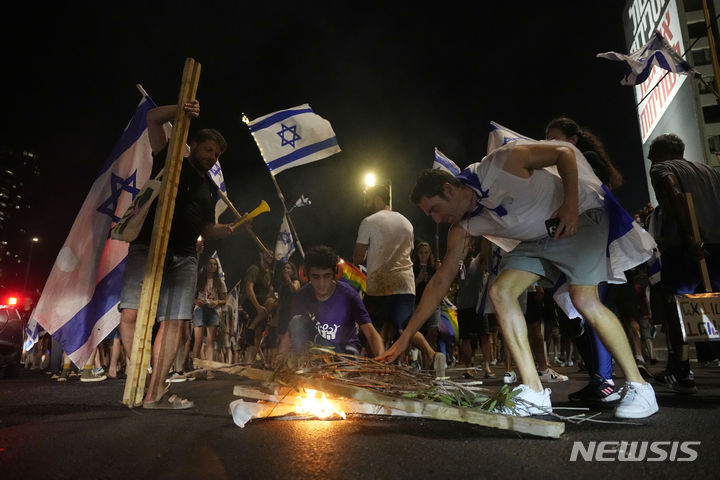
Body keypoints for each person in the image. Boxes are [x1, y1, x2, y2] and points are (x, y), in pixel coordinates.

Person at [377, 139, 659, 418]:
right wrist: (404, 339)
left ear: (449, 190)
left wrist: (570, 205)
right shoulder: (463, 227)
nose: (436, 220)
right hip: (539, 237)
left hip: (581, 216)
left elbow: (563, 153)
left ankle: (640, 387)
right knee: (500, 291)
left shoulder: (502, 162)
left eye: (434, 210)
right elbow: (440, 282)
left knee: (583, 298)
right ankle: (534, 392)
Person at [118, 100, 247, 409]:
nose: (212, 158)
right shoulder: (170, 158)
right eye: (208, 151)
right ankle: (142, 375)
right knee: (132, 314)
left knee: (174, 320)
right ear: (193, 146)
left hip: (185, 255)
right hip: (148, 247)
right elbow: (152, 119)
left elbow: (206, 226)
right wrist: (180, 109)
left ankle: (154, 391)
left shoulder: (210, 188)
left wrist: (228, 230)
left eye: (216, 155)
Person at [545, 116, 627, 402]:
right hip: (571, 241)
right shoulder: (557, 165)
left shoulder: (586, 158)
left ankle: (605, 379)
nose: (548, 144)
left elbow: (593, 195)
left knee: (591, 306)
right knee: (571, 316)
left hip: (591, 239)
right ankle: (597, 374)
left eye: (554, 138)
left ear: (573, 140)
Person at [647, 133, 720, 393]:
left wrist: (689, 237)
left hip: (685, 246)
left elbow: (675, 194)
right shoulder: (708, 171)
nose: (648, 158)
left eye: (652, 152)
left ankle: (681, 368)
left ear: (662, 153)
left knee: (676, 306)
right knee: (714, 302)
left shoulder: (662, 168)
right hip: (716, 245)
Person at [353, 185, 446, 375]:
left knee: (373, 327)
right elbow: (409, 252)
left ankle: (376, 371)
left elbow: (357, 257)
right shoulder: (406, 222)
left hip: (380, 285)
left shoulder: (369, 221)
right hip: (405, 285)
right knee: (405, 326)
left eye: (367, 199)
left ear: (377, 199)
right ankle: (432, 354)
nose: (365, 204)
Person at [278, 245, 385, 357]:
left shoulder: (349, 295)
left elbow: (371, 333)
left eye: (327, 276)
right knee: (297, 321)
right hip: (319, 349)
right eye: (316, 277)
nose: (322, 284)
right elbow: (290, 331)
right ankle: (303, 363)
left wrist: (382, 359)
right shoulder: (302, 296)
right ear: (306, 275)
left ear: (335, 274)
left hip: (346, 352)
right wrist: (279, 359)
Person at [242, 248, 278, 365]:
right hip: (250, 300)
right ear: (261, 254)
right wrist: (257, 306)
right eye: (268, 253)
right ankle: (250, 328)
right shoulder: (254, 269)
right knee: (272, 301)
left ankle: (249, 362)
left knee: (259, 331)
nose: (271, 256)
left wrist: (268, 312)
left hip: (262, 301)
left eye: (272, 254)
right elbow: (249, 288)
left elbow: (268, 292)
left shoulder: (270, 272)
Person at [191, 256, 227, 372]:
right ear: (206, 266)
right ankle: (195, 367)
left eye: (215, 264)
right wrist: (196, 301)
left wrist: (217, 301)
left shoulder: (220, 282)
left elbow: (225, 299)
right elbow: (192, 295)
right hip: (200, 309)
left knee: (211, 340)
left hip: (213, 310)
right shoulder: (199, 279)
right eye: (210, 264)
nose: (212, 266)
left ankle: (209, 369)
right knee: (198, 340)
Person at [412, 241, 441, 351]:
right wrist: (418, 280)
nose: (423, 255)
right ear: (416, 254)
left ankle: (429, 361)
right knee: (416, 333)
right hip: (418, 304)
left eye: (426, 252)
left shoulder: (434, 268)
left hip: (432, 305)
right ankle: (418, 358)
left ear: (430, 254)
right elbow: (410, 289)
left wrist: (440, 272)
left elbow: (441, 285)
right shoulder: (413, 268)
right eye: (421, 253)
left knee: (432, 332)